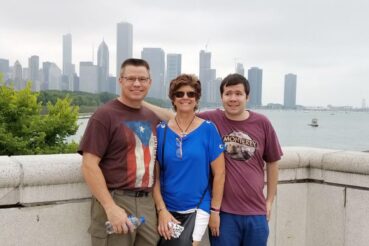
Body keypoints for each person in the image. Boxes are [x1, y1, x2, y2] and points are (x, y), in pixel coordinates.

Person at [143, 73, 282, 246]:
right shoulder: (211, 119)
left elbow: (273, 161)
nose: (233, 98)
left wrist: (269, 201)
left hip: (255, 210)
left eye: (238, 94)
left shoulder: (260, 123)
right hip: (224, 212)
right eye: (228, 93)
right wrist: (139, 100)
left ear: (247, 96)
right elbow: (179, 115)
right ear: (221, 97)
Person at [78, 58, 160, 246]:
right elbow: (89, 164)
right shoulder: (104, 115)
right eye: (131, 79)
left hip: (147, 202)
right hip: (117, 199)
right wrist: (110, 207)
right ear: (120, 80)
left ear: (150, 82)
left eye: (142, 79)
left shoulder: (152, 117)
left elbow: (180, 118)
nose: (137, 83)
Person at [153, 74, 225, 246]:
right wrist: (161, 209)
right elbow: (154, 178)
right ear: (173, 98)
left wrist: (215, 211)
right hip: (168, 209)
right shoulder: (160, 131)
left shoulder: (208, 129)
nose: (185, 97)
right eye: (180, 94)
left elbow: (220, 173)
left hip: (199, 206)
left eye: (190, 94)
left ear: (197, 98)